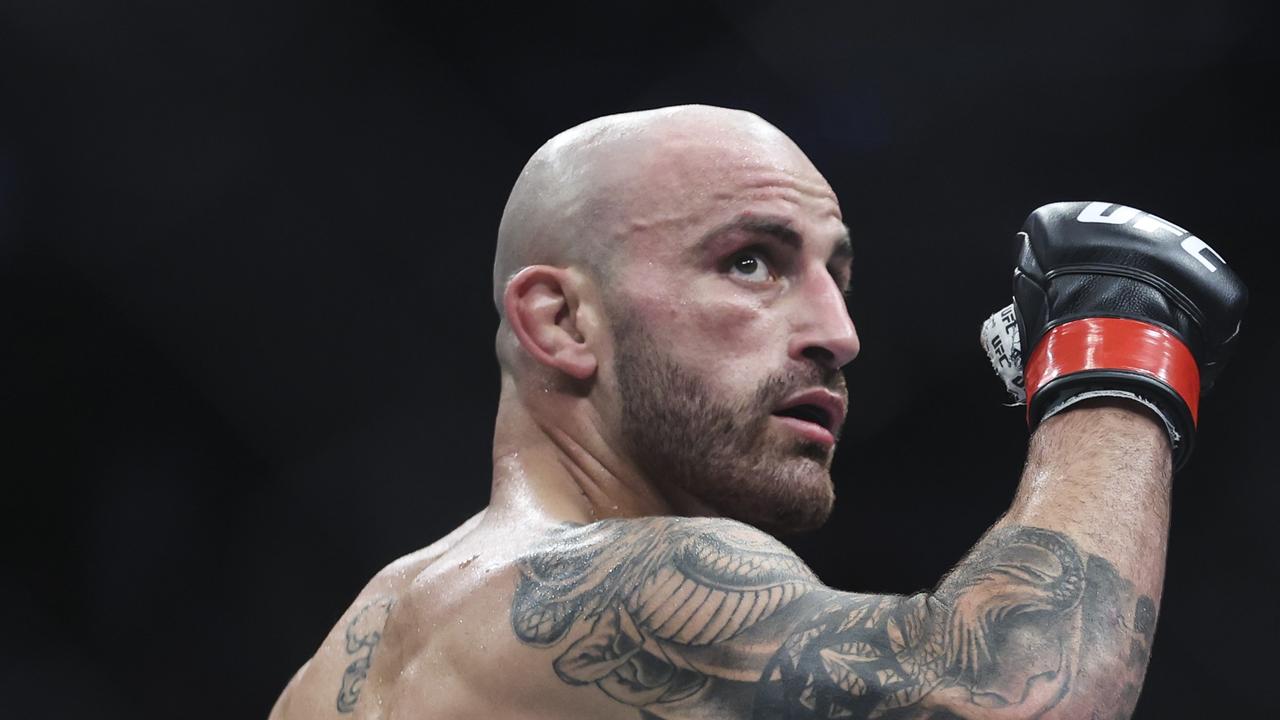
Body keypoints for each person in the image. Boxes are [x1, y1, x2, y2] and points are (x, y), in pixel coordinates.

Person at [268, 105, 1246, 719]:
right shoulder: (619, 578)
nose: (838, 332)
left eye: (838, 275)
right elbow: (1008, 694)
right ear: (562, 320)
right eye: (749, 262)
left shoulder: (346, 658)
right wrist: (1117, 354)